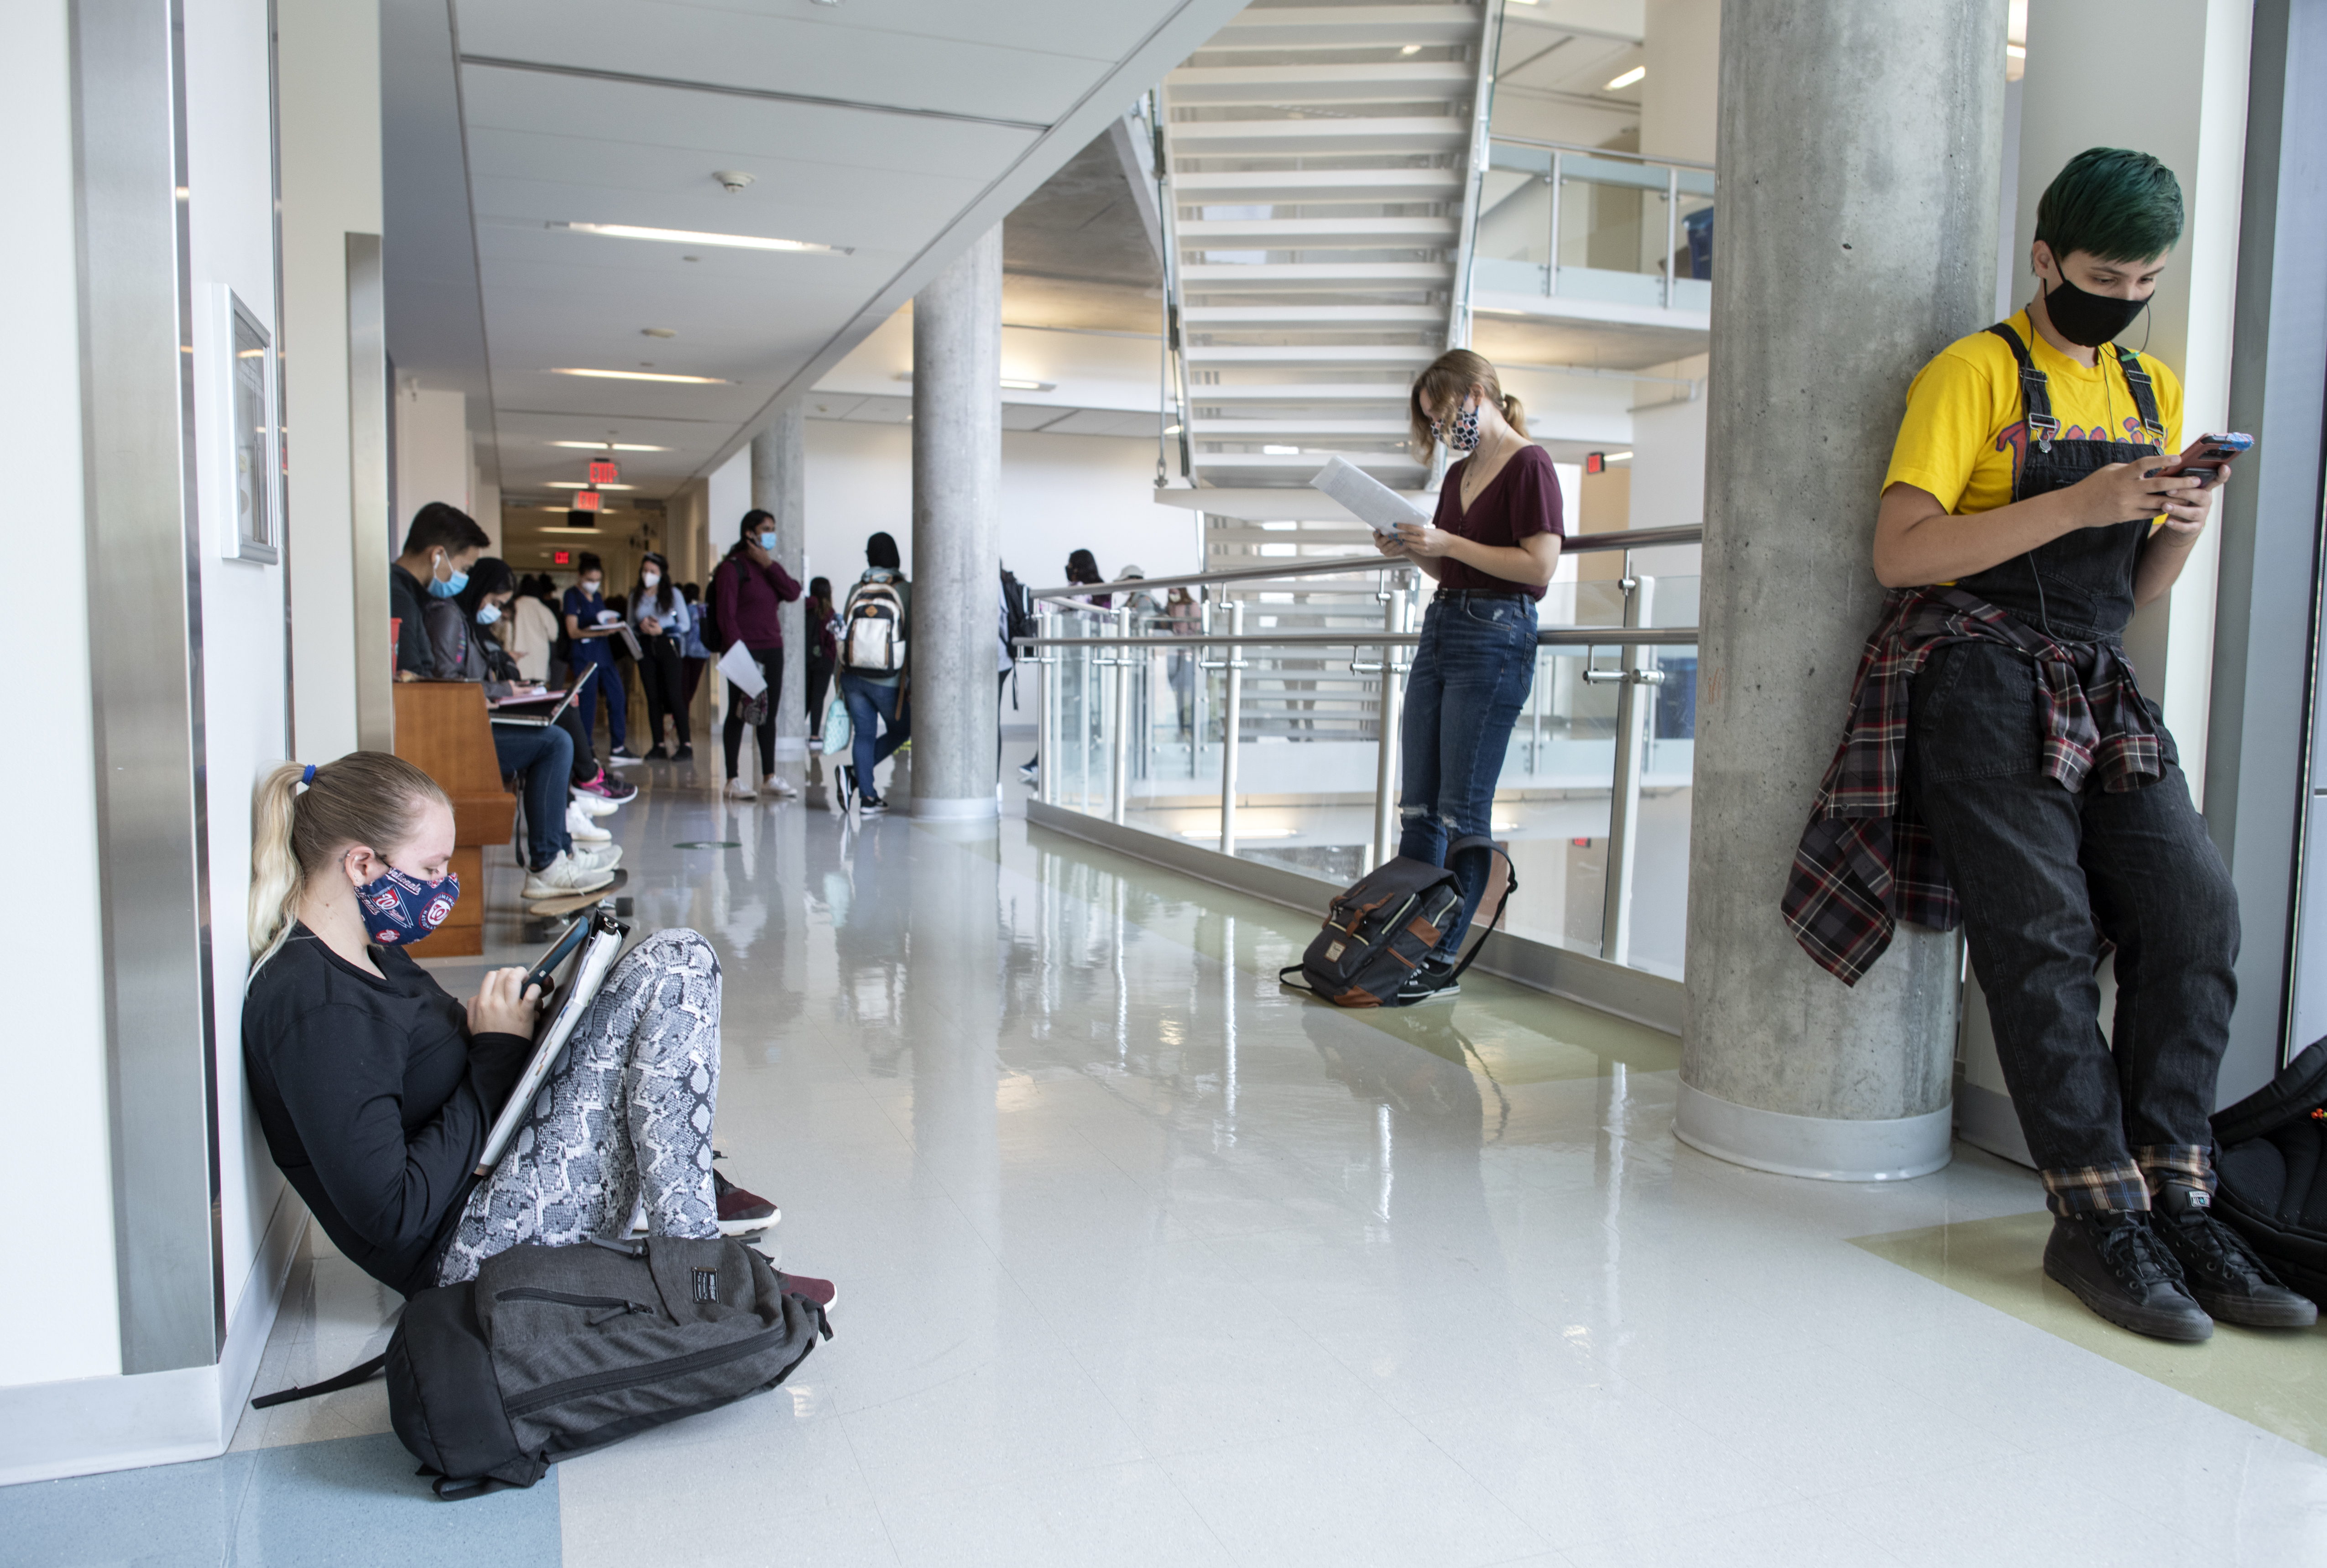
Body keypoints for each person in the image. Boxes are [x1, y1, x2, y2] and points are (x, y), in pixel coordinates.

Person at [1790, 148, 2312, 1342]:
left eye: (2145, 276)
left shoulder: (2148, 388)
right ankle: (2092, 1217)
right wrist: (2080, 501)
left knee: (2195, 914)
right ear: (2043, 259)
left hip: (2094, 670)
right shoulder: (1971, 373)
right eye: (2099, 271)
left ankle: (2175, 1195)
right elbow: (1901, 553)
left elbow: (2132, 592)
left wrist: (2178, 520)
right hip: (1974, 671)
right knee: (2043, 938)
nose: (2122, 292)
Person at [240, 754, 802, 1298]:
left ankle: (684, 1211)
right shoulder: (315, 1007)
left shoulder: (373, 952)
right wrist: (496, 1053)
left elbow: (420, 1073)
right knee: (679, 961)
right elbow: (395, 1213)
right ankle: (695, 1265)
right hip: (469, 1246)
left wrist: (519, 1029)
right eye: (431, 868)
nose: (443, 884)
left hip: (500, 1175)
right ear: (363, 865)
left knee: (655, 972)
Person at [1376, 348, 1562, 1004]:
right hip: (1445, 625)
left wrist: (1448, 544)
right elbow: (1453, 569)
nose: (1442, 428)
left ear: (1479, 393)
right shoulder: (1458, 475)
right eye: (1432, 421)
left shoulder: (1529, 464)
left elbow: (1538, 566)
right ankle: (1405, 936)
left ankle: (1443, 956)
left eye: (1446, 412)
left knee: (1463, 809)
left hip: (1495, 635)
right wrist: (1416, 549)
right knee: (1419, 802)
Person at [423, 557, 618, 898]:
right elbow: (448, 685)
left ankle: (562, 850)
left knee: (559, 723)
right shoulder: (448, 616)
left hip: (476, 720)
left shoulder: (464, 620)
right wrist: (504, 691)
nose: (496, 611)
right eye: (496, 603)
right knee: (556, 742)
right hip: (462, 734)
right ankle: (548, 861)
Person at [710, 509, 803, 802]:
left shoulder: (767, 567)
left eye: (772, 528)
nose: (771, 534)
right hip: (743, 651)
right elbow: (726, 616)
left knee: (768, 714)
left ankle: (769, 777)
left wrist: (769, 564)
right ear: (749, 533)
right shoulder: (732, 568)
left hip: (772, 648)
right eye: (765, 528)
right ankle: (732, 780)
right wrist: (739, 655)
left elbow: (792, 592)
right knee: (739, 714)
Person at [835, 532, 911, 817]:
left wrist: (838, 681)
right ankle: (854, 775)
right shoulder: (905, 590)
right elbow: (913, 638)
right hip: (888, 680)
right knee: (903, 730)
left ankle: (868, 797)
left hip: (853, 676)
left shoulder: (858, 588)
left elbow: (844, 634)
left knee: (864, 735)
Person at [1018, 549, 1109, 783]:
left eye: (1071, 565)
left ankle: (1050, 762)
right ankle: (1060, 761)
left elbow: (1089, 621)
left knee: (1066, 710)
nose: (1068, 569)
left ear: (1079, 566)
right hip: (1079, 661)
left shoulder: (1089, 591)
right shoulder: (1097, 590)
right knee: (1073, 710)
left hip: (1079, 661)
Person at [389, 503, 492, 681]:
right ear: (437, 555)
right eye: (464, 569)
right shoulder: (399, 598)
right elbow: (411, 680)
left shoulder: (407, 595)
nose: (464, 578)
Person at [563, 553, 633, 761]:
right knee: (588, 703)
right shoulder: (572, 596)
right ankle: (587, 748)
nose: (594, 584)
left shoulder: (599, 597)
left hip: (604, 654)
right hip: (584, 656)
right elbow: (573, 631)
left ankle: (619, 747)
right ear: (580, 576)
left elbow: (601, 620)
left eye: (597, 580)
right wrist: (599, 633)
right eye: (590, 580)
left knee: (618, 697)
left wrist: (610, 624)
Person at [630, 552, 693, 761]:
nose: (648, 575)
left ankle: (686, 744)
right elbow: (630, 624)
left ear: (661, 574)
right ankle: (658, 744)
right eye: (645, 570)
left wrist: (663, 630)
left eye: (653, 571)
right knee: (653, 697)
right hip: (646, 647)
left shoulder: (673, 594)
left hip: (669, 646)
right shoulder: (636, 595)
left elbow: (685, 624)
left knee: (675, 695)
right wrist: (641, 628)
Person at [503, 573, 560, 682]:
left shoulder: (514, 607)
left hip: (518, 659)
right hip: (539, 664)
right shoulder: (544, 610)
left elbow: (506, 632)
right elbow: (554, 636)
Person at [803, 576, 838, 750]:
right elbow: (832, 640)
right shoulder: (830, 613)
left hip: (807, 659)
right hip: (824, 662)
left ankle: (794, 731)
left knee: (806, 697)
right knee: (818, 698)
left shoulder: (805, 608)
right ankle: (815, 736)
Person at [678, 581, 711, 713]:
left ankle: (682, 715)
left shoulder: (685, 610)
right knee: (692, 687)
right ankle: (682, 716)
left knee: (684, 688)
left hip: (686, 653)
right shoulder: (703, 609)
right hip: (702, 652)